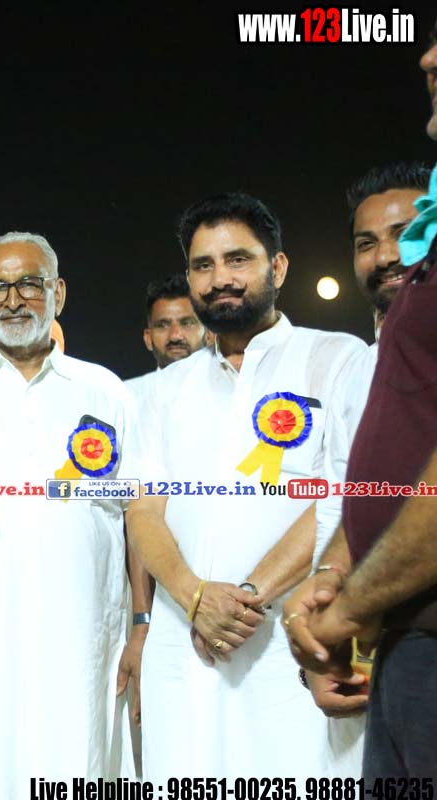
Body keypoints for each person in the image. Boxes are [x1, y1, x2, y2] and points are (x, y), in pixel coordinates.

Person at [127, 193, 366, 780]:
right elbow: (143, 511)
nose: (219, 280)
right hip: (184, 644)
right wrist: (194, 598)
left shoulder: (337, 358)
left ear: (277, 267)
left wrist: (246, 598)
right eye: (202, 265)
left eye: (238, 259)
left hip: (291, 642)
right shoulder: (164, 389)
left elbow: (344, 497)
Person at [0, 232, 139, 790]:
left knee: (79, 758)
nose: (13, 299)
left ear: (58, 293)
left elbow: (138, 515)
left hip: (85, 633)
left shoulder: (107, 390)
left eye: (29, 284)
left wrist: (141, 625)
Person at [287, 25, 437, 779]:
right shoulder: (391, 339)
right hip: (402, 642)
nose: (427, 57)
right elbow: (375, 486)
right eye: (365, 241)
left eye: (407, 233)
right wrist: (334, 577)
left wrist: (348, 610)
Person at [124, 272, 208, 409]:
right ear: (148, 338)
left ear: (209, 334)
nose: (175, 336)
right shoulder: (126, 398)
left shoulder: (233, 392)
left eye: (187, 323)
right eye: (163, 325)